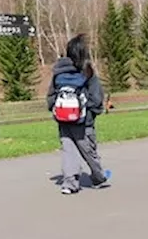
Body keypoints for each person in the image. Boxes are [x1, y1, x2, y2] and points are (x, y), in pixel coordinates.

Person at [46, 33, 110, 194]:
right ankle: (99, 177)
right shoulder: (87, 73)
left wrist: (56, 111)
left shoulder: (59, 73)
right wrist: (91, 113)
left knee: (69, 151)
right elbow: (96, 99)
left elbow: (51, 96)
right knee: (89, 151)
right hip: (83, 122)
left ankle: (69, 184)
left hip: (63, 121)